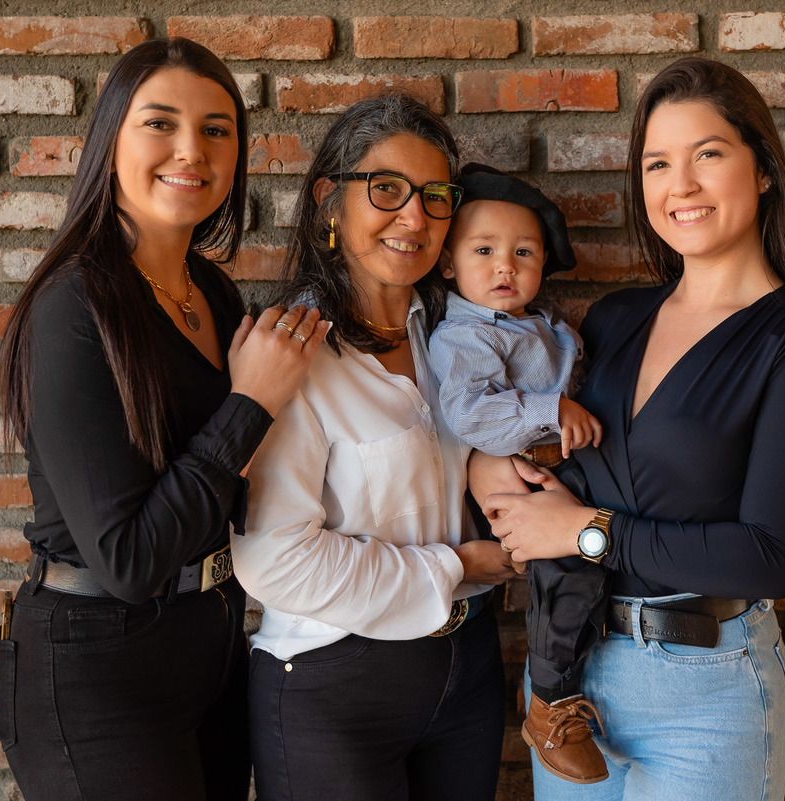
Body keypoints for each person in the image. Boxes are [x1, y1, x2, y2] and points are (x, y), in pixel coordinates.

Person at [476, 56, 785, 800]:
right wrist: (482, 468)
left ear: (764, 169)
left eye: (707, 154)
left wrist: (586, 531)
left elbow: (769, 558)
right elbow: (526, 430)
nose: (679, 185)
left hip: (707, 693)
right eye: (657, 163)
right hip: (569, 686)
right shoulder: (614, 319)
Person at [0, 37, 328, 801]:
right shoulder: (72, 309)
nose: (192, 149)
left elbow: (232, 490)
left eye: (217, 129)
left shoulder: (212, 294)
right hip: (94, 668)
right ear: (111, 138)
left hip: (210, 645)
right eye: (161, 123)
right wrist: (252, 403)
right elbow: (130, 559)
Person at [231, 95, 519, 801]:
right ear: (332, 200)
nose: (414, 218)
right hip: (333, 687)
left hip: (469, 671)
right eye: (386, 189)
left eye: (435, 197)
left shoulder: (455, 336)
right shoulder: (292, 350)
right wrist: (457, 565)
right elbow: (275, 561)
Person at [426, 164, 610, 784]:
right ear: (449, 263)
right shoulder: (466, 337)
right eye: (484, 251)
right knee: (570, 574)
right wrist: (551, 410)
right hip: (515, 482)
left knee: (599, 562)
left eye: (523, 253)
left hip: (559, 475)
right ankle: (551, 702)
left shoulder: (540, 324)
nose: (505, 267)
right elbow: (473, 416)